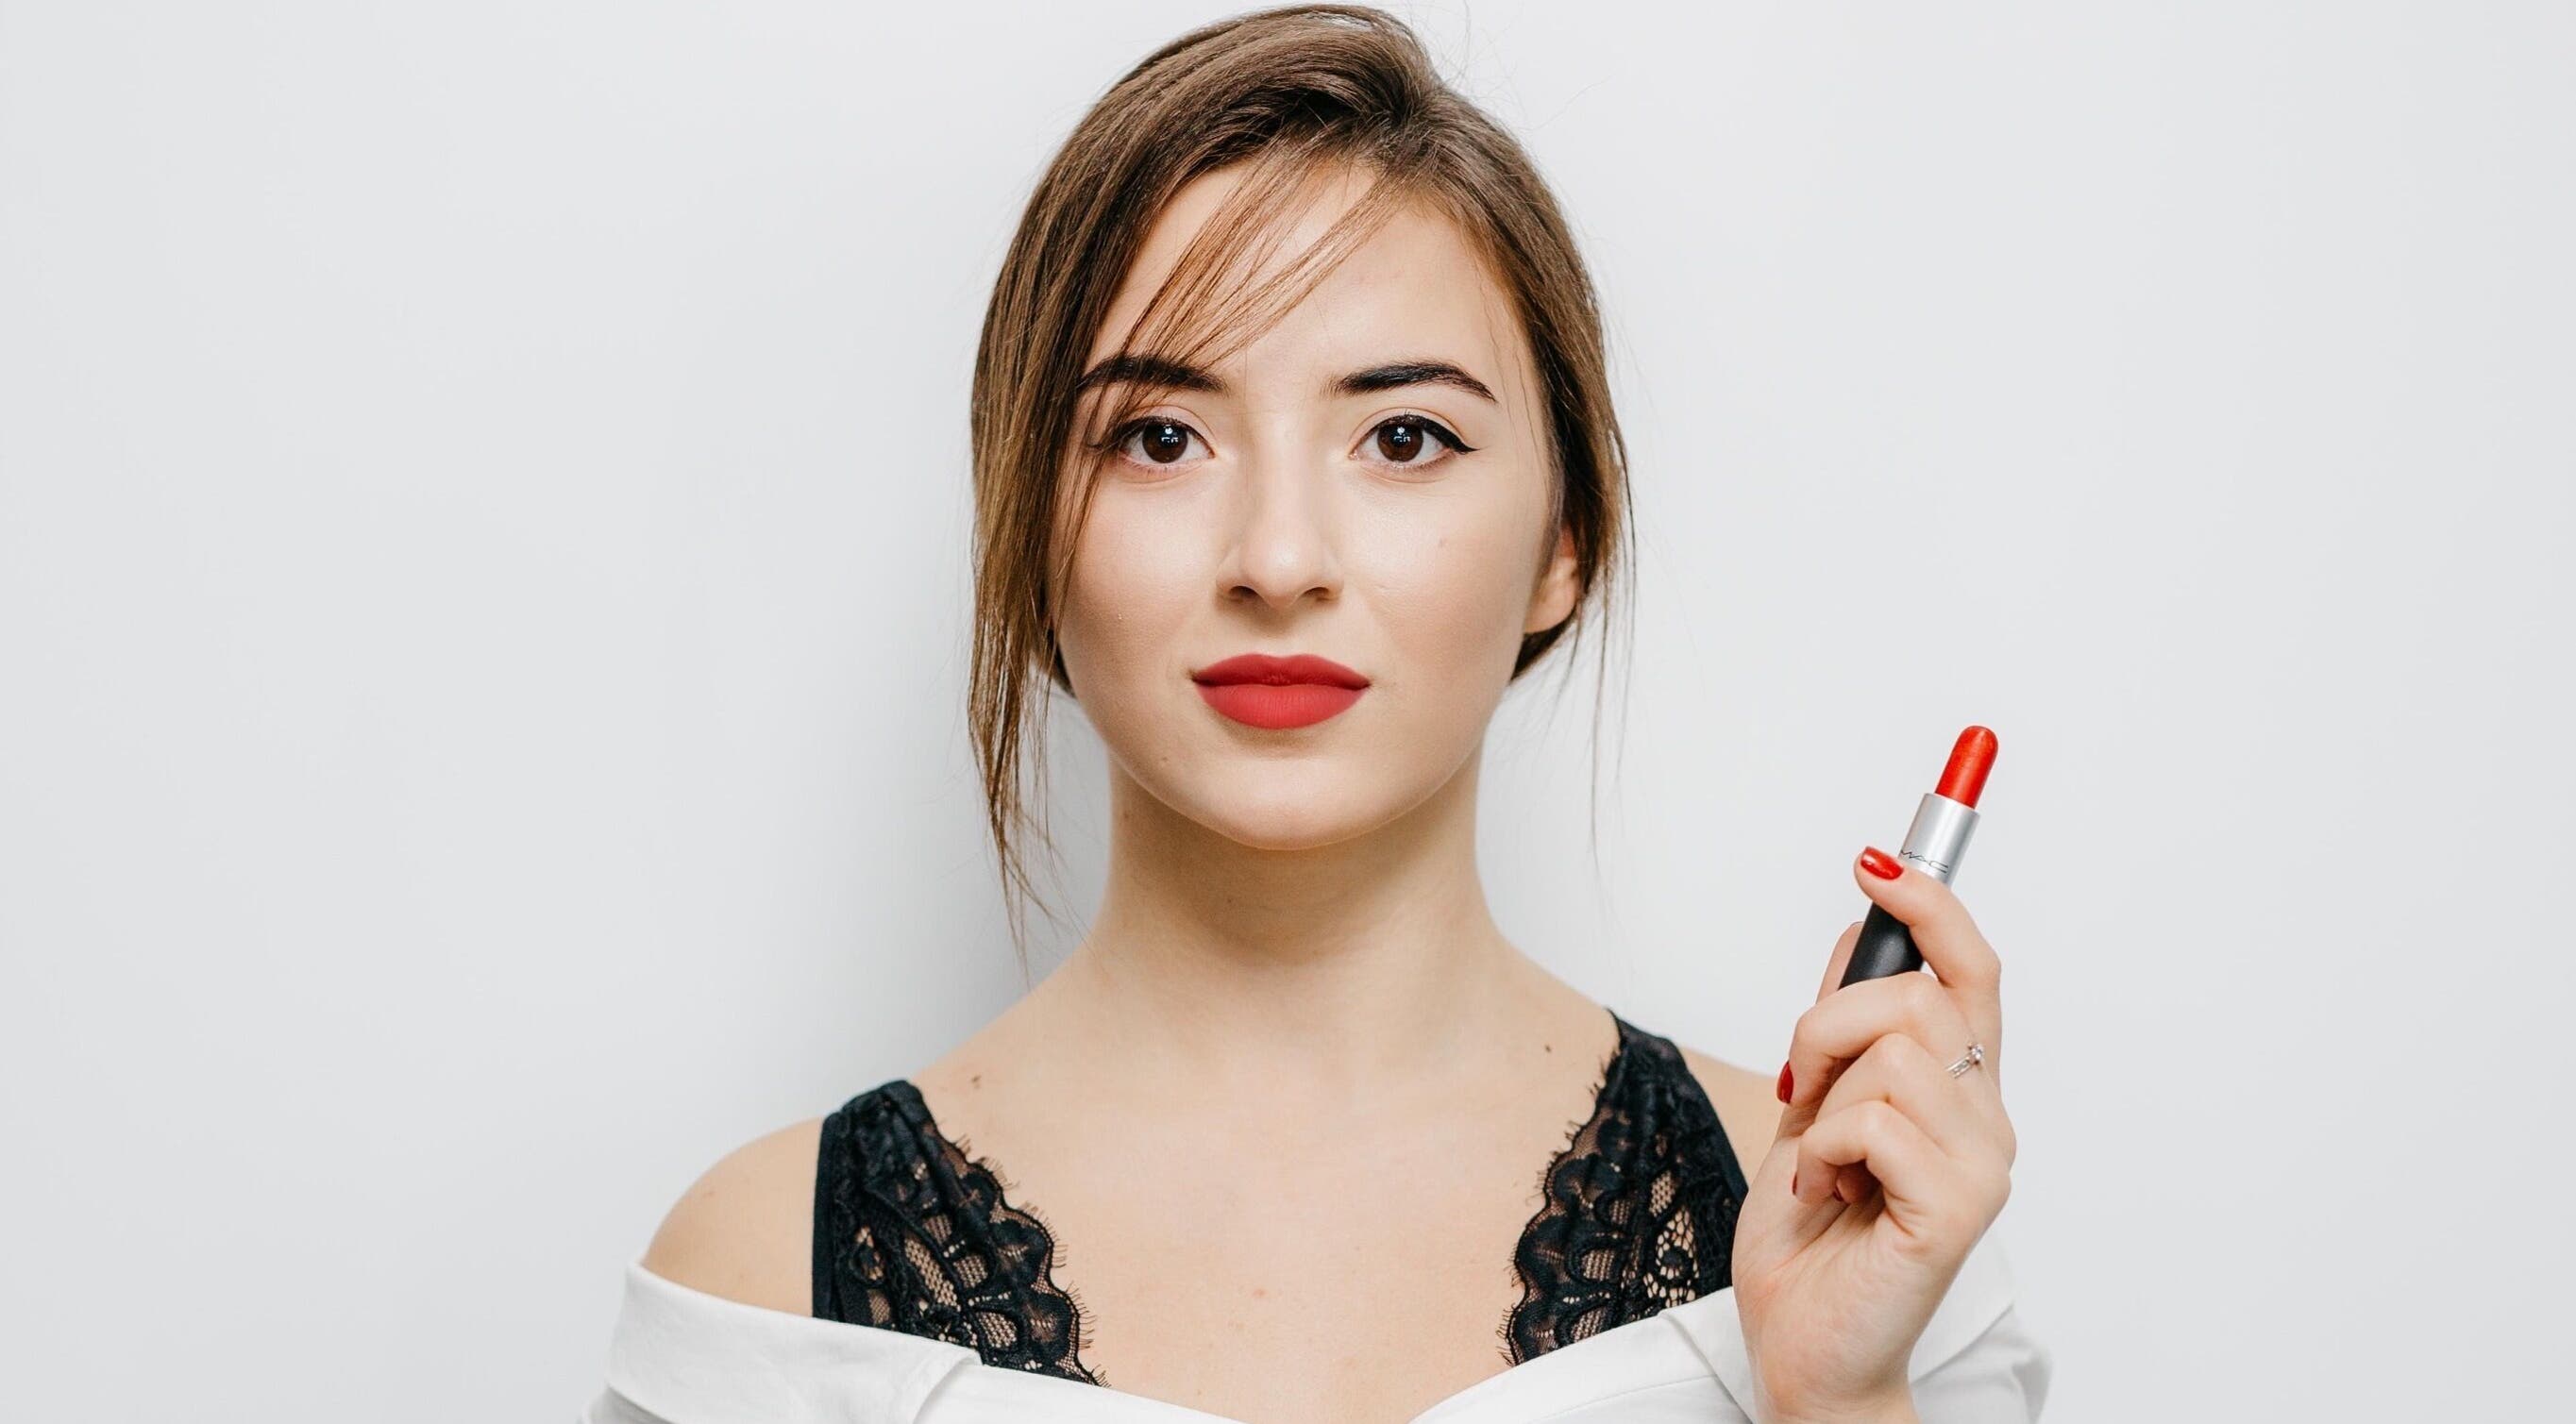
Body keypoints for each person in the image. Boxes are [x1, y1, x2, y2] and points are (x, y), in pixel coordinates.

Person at [582, 7, 2047, 1422]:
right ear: (1027, 521)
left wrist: (1837, 1399)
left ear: (1564, 539)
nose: (1276, 559)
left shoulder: (1842, 1233)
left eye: (1402, 437)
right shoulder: (765, 1278)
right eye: (1160, 438)